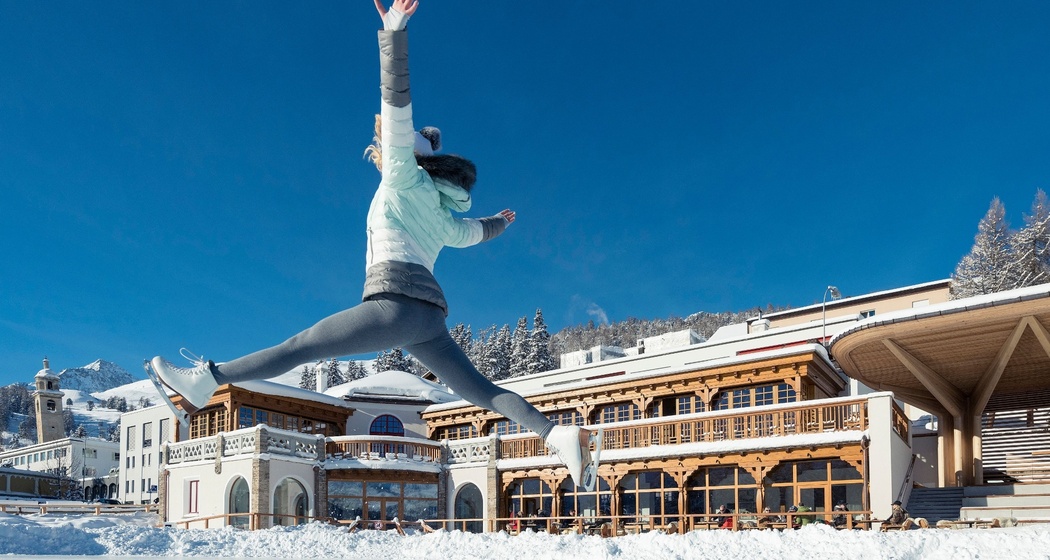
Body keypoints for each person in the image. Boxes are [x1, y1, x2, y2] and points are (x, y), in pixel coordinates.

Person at [147, 0, 594, 490]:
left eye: (392, 146)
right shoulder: (443, 215)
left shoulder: (405, 177)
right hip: (428, 320)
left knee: (301, 346)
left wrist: (394, 34)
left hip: (395, 306)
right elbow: (474, 233)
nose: (385, 147)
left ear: (410, 156)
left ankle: (205, 380)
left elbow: (396, 104)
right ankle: (558, 436)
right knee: (482, 392)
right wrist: (499, 224)